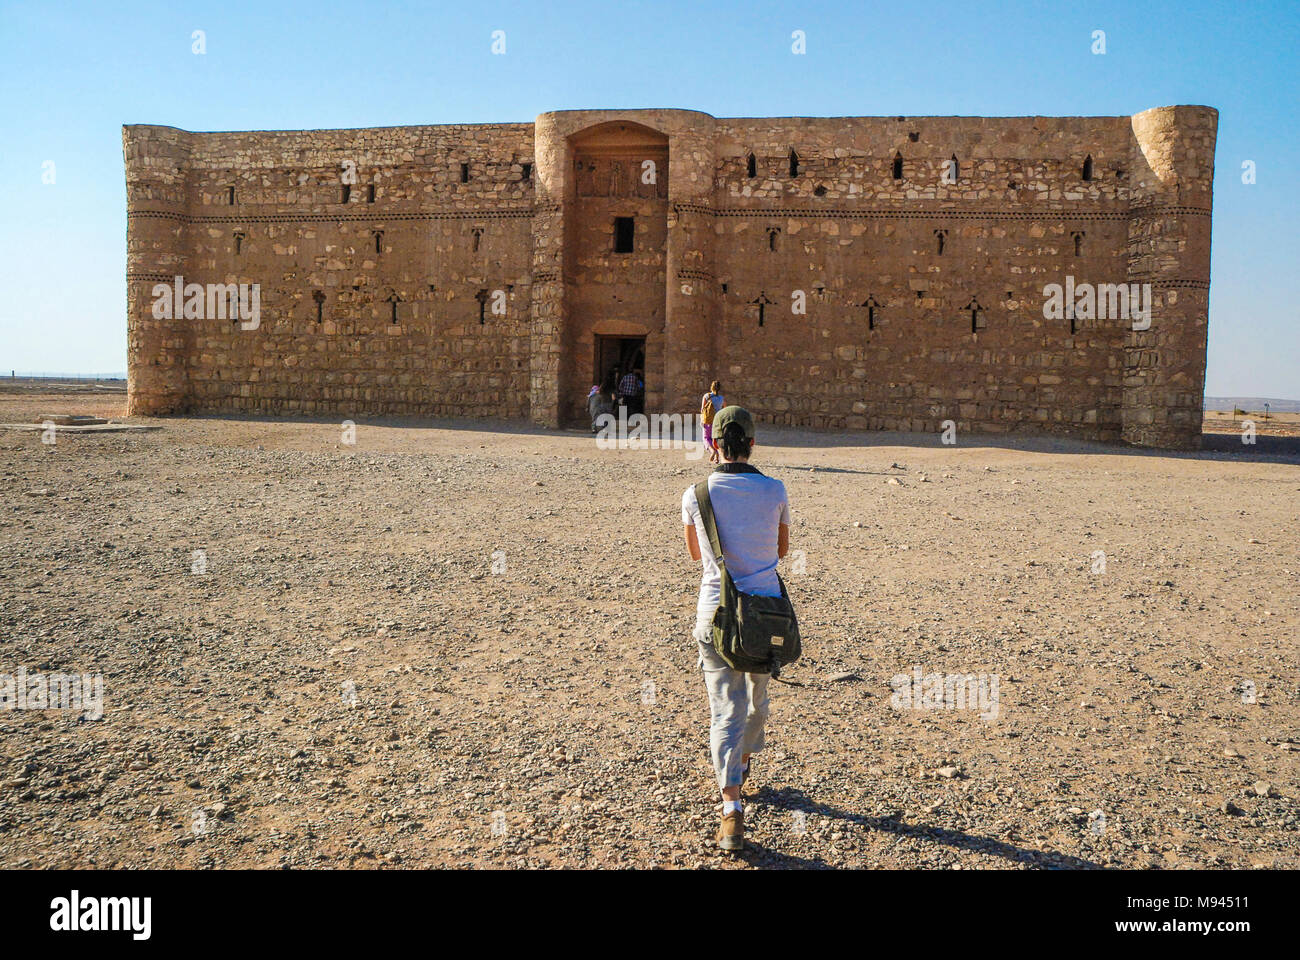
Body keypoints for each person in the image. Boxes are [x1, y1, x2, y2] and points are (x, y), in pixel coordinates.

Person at [680, 405, 790, 853]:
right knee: (756, 701)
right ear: (753, 444)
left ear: (714, 446)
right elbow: (781, 550)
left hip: (715, 617)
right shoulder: (776, 489)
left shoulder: (695, 494)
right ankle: (742, 761)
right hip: (765, 618)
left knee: (725, 708)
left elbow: (694, 556)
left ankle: (731, 809)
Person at [700, 380, 725, 465]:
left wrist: (702, 420)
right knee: (716, 439)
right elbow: (724, 409)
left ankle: (712, 451)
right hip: (718, 421)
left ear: (711, 387)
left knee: (707, 438)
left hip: (708, 420)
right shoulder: (721, 398)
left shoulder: (706, 396)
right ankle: (717, 458)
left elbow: (703, 409)